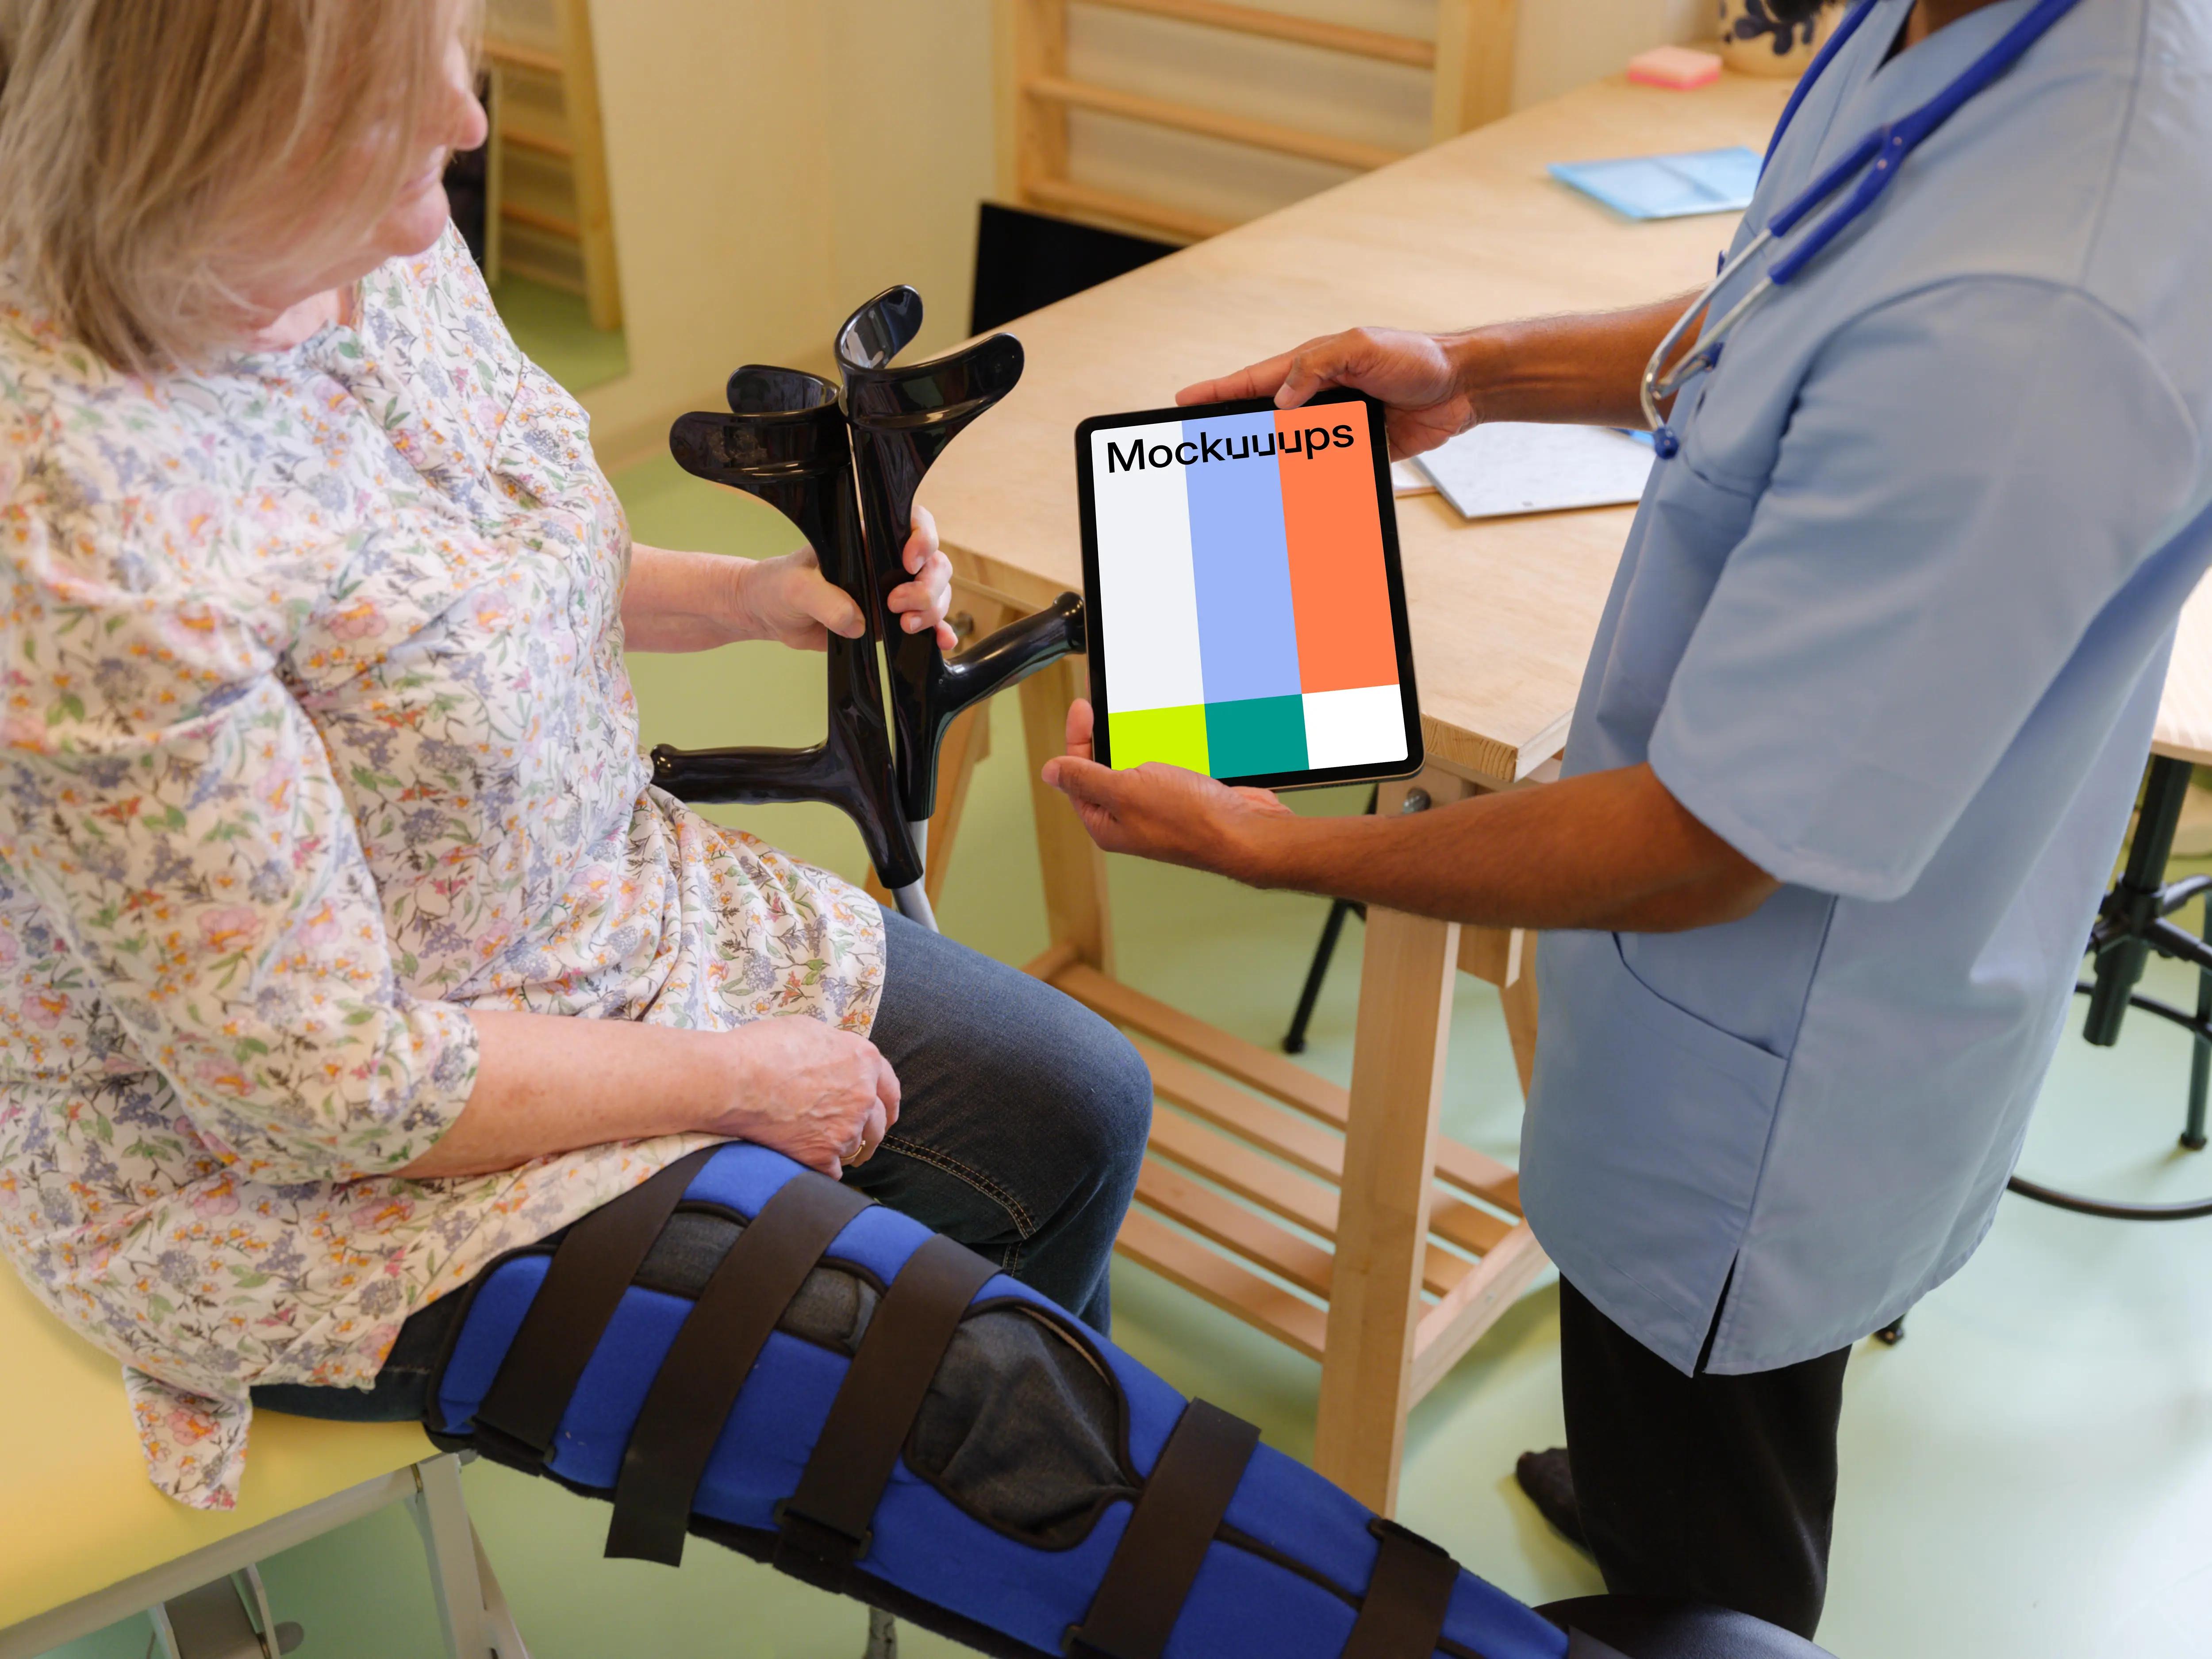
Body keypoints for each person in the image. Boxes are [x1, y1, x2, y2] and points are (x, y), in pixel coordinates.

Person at [1041, 0, 2212, 1638]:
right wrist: (1483, 370)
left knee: (1717, 1513)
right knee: (1657, 1386)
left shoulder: (2036, 308)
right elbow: (1793, 297)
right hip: (1728, 980)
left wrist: (1271, 846)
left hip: (1773, 1084)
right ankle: (1639, 1483)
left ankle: (1687, 1573)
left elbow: (1700, 846)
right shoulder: (1946, 37)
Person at [0, 0, 1149, 1513]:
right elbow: (330, 1093)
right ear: (207, 132)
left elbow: (502, 568)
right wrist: (733, 1081)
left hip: (603, 917)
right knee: (981, 1397)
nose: (466, 124)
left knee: (1080, 1106)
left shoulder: (378, 242)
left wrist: (751, 598)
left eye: (456, 48)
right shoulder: (82, 528)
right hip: (307, 1166)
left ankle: (1019, 1542)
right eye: (385, 95)